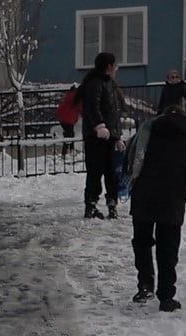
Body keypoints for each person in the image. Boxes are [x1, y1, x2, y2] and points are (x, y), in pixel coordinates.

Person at [126, 102, 186, 310]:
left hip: (144, 195)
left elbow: (130, 160)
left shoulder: (146, 131)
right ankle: (167, 297)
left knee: (142, 242)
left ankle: (145, 285)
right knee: (168, 248)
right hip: (173, 199)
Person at [78, 52, 126, 220]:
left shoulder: (110, 84)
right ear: (109, 66)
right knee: (95, 171)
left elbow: (114, 112)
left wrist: (117, 136)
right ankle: (91, 205)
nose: (116, 69)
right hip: (96, 136)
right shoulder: (95, 83)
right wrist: (99, 126)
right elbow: (92, 106)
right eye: (114, 65)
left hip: (110, 136)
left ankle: (112, 203)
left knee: (112, 172)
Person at [55, 83, 80, 160]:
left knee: (69, 134)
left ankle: (68, 152)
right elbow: (80, 107)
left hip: (63, 118)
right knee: (69, 135)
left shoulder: (68, 95)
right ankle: (67, 152)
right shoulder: (77, 97)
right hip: (69, 119)